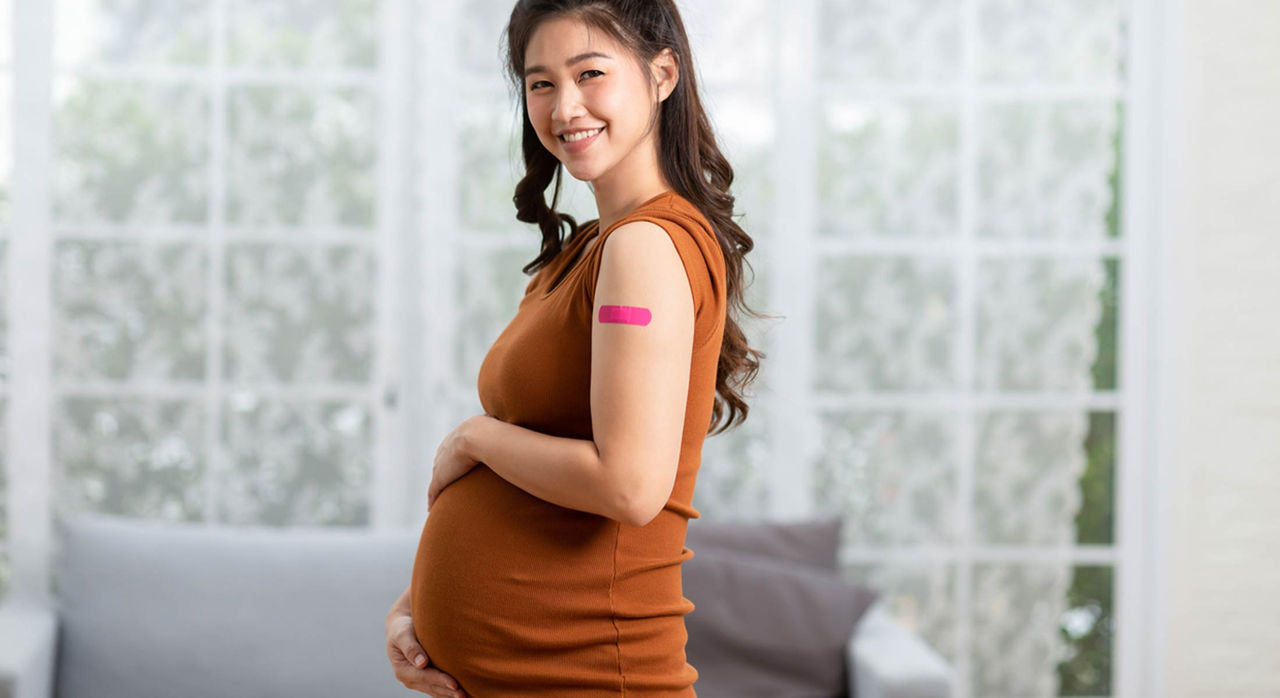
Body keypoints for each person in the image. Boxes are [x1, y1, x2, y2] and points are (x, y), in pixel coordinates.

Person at [386, 0, 768, 695]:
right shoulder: (597, 247)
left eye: (590, 72)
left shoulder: (644, 248)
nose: (565, 107)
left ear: (662, 75)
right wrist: (418, 604)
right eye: (540, 83)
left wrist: (474, 439)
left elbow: (627, 485)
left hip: (588, 676)